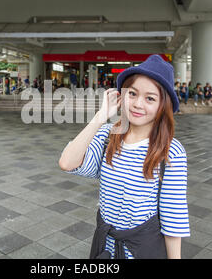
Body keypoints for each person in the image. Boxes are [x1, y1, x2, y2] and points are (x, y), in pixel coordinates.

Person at [59, 55, 190, 259]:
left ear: (162, 105)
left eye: (150, 98)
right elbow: (67, 163)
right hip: (105, 247)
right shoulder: (107, 136)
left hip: (142, 251)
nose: (138, 104)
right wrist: (101, 117)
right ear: (122, 96)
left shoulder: (170, 151)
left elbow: (174, 220)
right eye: (133, 93)